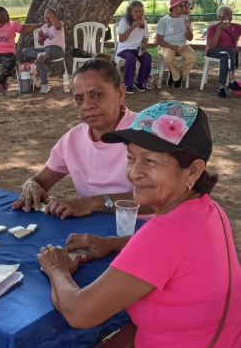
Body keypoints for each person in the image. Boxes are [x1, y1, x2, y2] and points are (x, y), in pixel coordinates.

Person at [37, 100, 241, 347]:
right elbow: (176, 255)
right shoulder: (209, 209)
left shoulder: (163, 234)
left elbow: (80, 313)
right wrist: (114, 243)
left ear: (193, 171)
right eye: (131, 158)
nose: (134, 173)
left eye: (151, 161)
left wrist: (56, 268)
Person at [12, 57, 152, 219]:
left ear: (120, 94)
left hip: (145, 231)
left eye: (97, 95)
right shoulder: (72, 140)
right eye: (79, 99)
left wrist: (91, 203)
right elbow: (40, 181)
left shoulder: (146, 131)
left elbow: (156, 198)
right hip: (93, 232)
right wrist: (31, 186)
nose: (87, 105)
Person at [0, 6, 41, 95]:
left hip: (7, 53)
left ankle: (1, 83)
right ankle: (2, 81)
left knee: (9, 64)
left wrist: (38, 25)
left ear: (1, 16)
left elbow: (25, 28)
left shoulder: (12, 25)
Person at [156, 0, 197, 89]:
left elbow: (190, 38)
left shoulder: (186, 19)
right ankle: (177, 77)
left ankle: (176, 75)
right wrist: (171, 46)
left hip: (182, 44)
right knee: (168, 56)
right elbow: (158, 40)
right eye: (181, 6)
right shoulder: (164, 20)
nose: (184, 8)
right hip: (166, 45)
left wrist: (187, 28)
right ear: (173, 8)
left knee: (193, 57)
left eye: (184, 6)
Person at [21, 8, 66, 94]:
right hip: (44, 49)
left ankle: (44, 85)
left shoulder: (59, 23)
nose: (47, 19)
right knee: (25, 50)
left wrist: (51, 15)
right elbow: (41, 43)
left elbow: (58, 26)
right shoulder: (44, 28)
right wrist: (41, 37)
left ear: (54, 16)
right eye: (46, 17)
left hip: (57, 49)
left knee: (43, 56)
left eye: (50, 16)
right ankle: (40, 55)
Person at [115, 1, 152, 94]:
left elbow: (145, 38)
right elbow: (121, 39)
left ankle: (139, 82)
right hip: (124, 48)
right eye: (136, 12)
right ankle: (128, 84)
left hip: (137, 48)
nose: (139, 14)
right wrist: (133, 26)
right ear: (130, 12)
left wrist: (143, 48)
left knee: (147, 58)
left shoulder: (144, 22)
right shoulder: (124, 21)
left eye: (141, 12)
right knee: (130, 58)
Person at [206, 5, 241, 98]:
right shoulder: (214, 28)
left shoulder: (236, 27)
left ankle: (221, 87)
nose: (230, 16)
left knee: (226, 56)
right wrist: (219, 29)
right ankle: (232, 81)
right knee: (229, 51)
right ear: (220, 16)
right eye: (227, 14)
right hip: (214, 51)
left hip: (228, 54)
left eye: (231, 14)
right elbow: (212, 46)